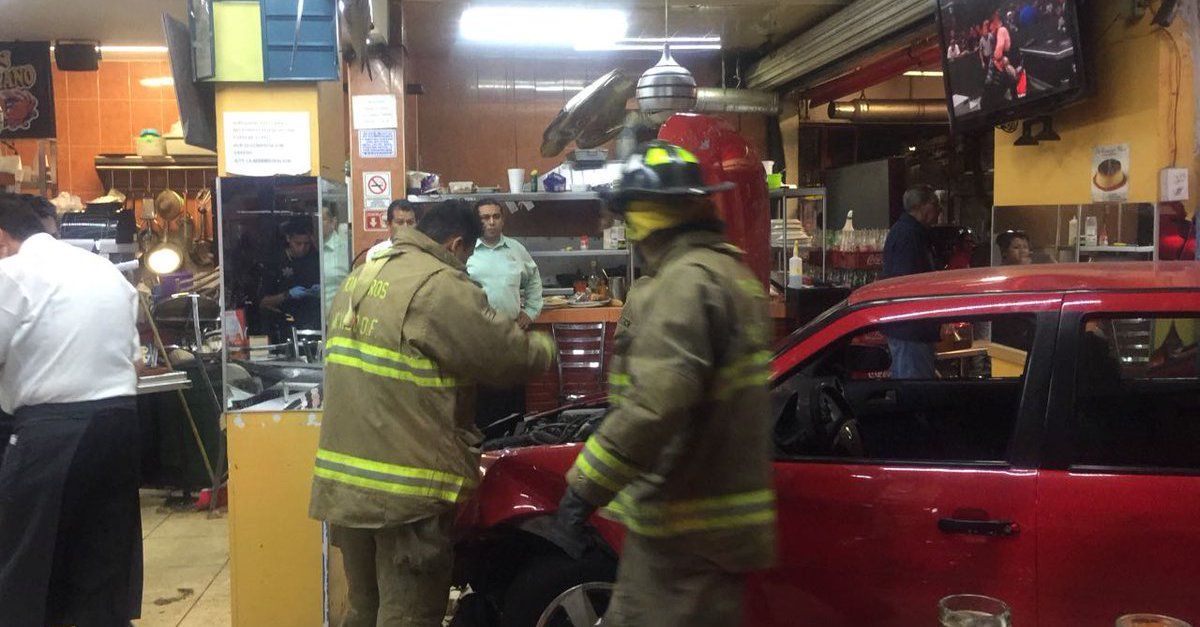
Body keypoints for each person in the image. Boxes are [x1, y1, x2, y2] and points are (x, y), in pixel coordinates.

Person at [549, 141, 776, 627]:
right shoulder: (730, 275)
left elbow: (654, 405)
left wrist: (583, 488)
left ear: (641, 221)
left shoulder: (684, 283)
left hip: (684, 533)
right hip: (705, 535)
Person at [309, 200, 555, 627]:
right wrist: (546, 351)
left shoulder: (364, 274)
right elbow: (503, 354)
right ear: (456, 244)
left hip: (346, 485)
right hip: (405, 494)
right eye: (466, 256)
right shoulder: (438, 284)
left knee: (365, 610)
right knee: (408, 615)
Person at [0, 193, 143, 626]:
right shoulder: (101, 269)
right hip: (119, 425)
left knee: (27, 564)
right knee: (100, 562)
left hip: (53, 431)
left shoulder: (12, 272)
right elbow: (134, 358)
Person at [466, 199, 545, 429]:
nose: (491, 222)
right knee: (481, 405)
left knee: (512, 403)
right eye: (485, 217)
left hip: (511, 335)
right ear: (476, 221)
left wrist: (530, 312)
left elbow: (533, 281)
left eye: (496, 216)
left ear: (503, 219)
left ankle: (512, 447)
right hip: (477, 337)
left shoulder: (516, 249)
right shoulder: (467, 250)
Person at [882, 185, 943, 379]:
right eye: (936, 205)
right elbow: (906, 285)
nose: (939, 212)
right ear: (924, 206)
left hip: (910, 328)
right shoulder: (908, 236)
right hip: (910, 329)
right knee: (914, 393)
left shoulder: (909, 232)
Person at [259, 217, 322, 339]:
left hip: (313, 324)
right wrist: (287, 295)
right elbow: (263, 302)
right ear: (288, 238)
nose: (302, 248)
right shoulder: (275, 262)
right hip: (283, 327)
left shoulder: (315, 258)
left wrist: (321, 291)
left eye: (307, 244)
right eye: (298, 243)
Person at [321, 202, 351, 311]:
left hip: (336, 320)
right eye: (315, 219)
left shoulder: (345, 250)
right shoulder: (307, 248)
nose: (317, 223)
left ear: (333, 222)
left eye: (321, 219)